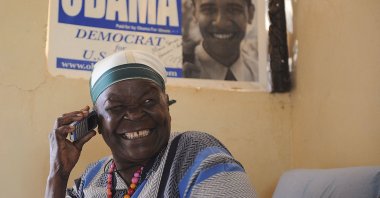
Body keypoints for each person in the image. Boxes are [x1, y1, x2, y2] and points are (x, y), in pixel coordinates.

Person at [45, 50, 257, 197]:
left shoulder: (195, 155)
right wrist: (58, 174)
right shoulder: (93, 177)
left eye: (148, 101)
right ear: (97, 121)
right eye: (116, 107)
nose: (135, 115)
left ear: (167, 107)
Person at [183, 0, 258, 81]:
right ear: (194, 13)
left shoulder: (262, 76)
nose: (221, 23)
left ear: (250, 13)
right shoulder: (180, 73)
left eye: (233, 10)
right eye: (209, 10)